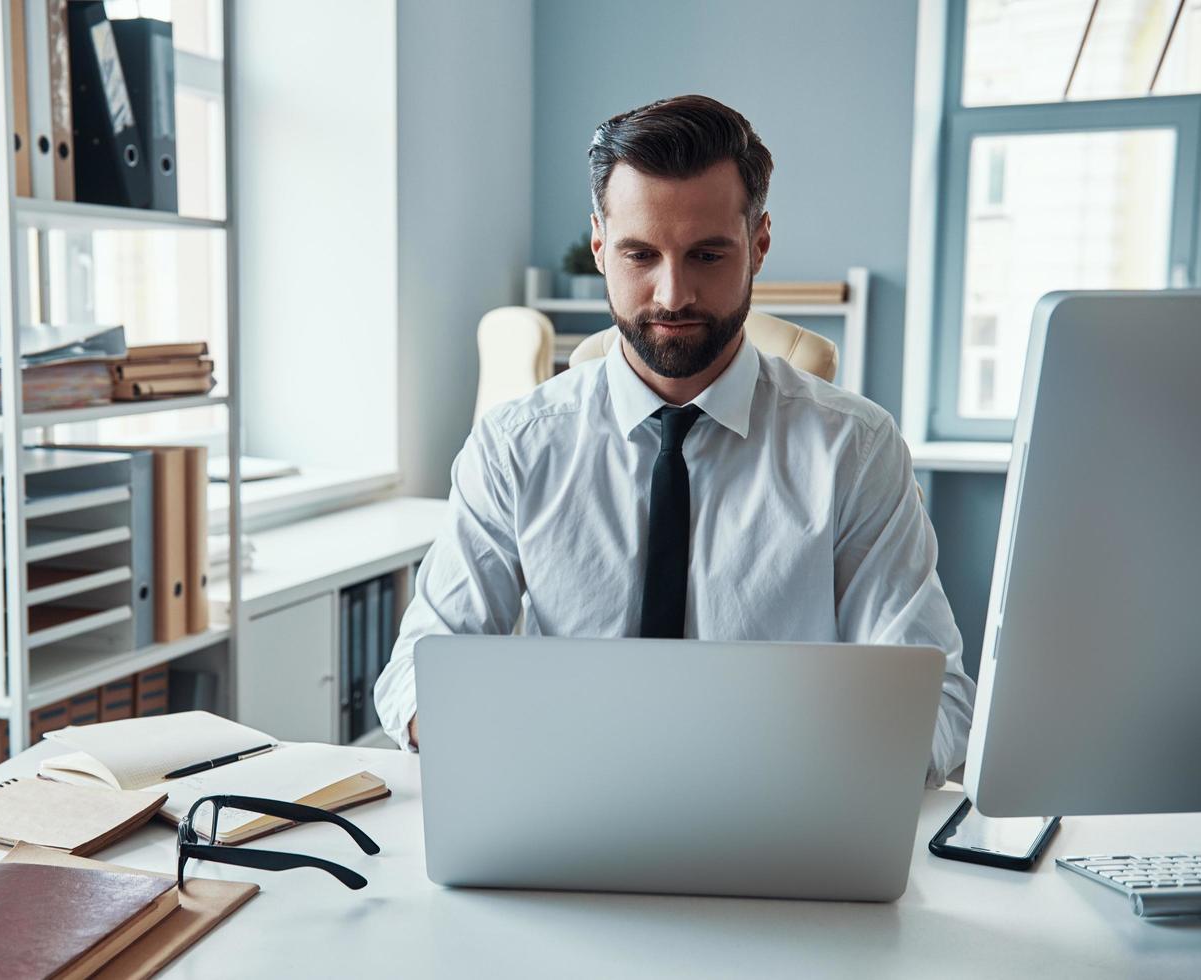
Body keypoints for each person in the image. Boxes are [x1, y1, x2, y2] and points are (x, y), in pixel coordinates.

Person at [374, 94, 974, 785]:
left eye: (707, 255)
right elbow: (414, 677)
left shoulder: (854, 449)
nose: (671, 295)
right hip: (562, 807)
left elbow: (937, 705)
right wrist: (505, 744)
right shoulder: (514, 445)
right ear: (599, 246)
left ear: (758, 245)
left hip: (781, 819)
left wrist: (817, 776)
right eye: (638, 254)